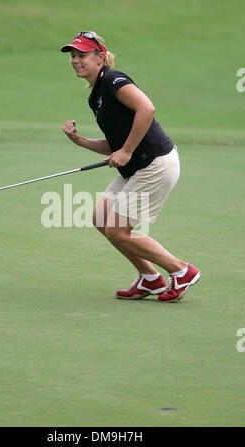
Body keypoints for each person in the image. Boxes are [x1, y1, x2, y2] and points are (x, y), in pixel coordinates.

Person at [60, 31, 200, 302]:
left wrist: (126, 151)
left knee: (117, 230)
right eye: (73, 56)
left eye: (82, 55)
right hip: (137, 165)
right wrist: (80, 141)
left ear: (100, 57)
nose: (76, 60)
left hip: (155, 163)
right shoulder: (96, 94)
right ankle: (150, 278)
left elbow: (147, 109)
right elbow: (115, 144)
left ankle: (182, 270)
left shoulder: (113, 79)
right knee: (101, 218)